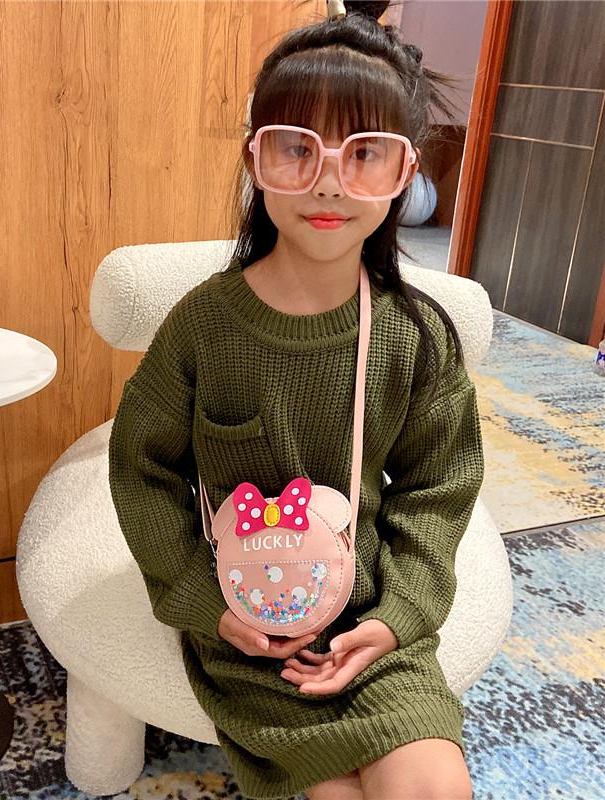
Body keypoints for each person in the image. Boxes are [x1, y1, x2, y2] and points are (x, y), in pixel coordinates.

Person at [108, 1, 484, 798]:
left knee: (433, 786)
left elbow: (439, 487)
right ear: (256, 157)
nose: (328, 181)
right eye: (296, 147)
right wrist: (205, 602)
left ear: (405, 172)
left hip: (372, 624)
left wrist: (396, 619)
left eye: (365, 153)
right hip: (247, 630)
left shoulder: (415, 336)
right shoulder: (203, 327)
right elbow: (142, 471)